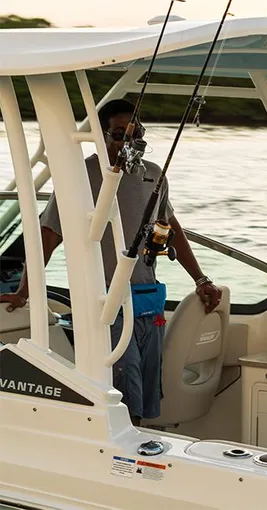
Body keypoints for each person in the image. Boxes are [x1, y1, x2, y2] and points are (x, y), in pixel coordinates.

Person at [0, 98, 222, 426]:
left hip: (148, 299)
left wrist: (201, 280)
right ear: (102, 136)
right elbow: (48, 237)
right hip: (104, 304)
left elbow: (170, 227)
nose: (131, 141)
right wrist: (23, 292)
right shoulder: (79, 176)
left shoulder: (154, 175)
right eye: (120, 134)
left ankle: (139, 441)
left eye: (137, 133)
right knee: (123, 386)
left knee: (147, 386)